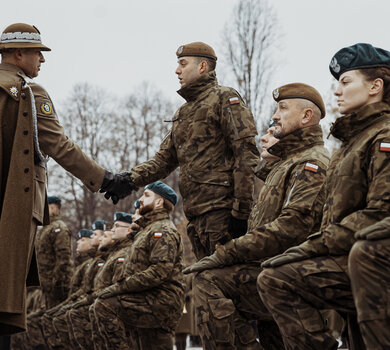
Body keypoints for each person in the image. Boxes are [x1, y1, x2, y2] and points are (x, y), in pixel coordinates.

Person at [258, 43, 390, 350]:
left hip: (369, 255)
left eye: (345, 82)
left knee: (277, 279)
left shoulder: (383, 136)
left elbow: (380, 212)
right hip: (348, 251)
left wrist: (314, 246)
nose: (337, 92)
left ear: (375, 86)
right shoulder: (352, 141)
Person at [183, 83, 330, 349]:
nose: (274, 117)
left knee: (208, 281)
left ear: (306, 116)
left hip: (293, 277)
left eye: (283, 108)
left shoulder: (311, 163)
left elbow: (292, 227)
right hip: (273, 270)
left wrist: (229, 251)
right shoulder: (286, 165)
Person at [0, 22, 123, 335]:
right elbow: (60, 146)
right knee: (3, 302)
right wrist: (106, 179)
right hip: (11, 210)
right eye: (37, 53)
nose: (42, 59)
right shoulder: (27, 93)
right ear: (17, 53)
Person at [101, 42, 259, 260]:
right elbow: (163, 160)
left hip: (222, 213)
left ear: (202, 66)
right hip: (196, 217)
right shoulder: (183, 113)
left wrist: (241, 212)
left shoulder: (225, 99)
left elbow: (246, 153)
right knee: (205, 281)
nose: (177, 70)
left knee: (220, 282)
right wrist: (129, 179)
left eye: (183, 64)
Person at [91, 181, 185, 350]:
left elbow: (159, 271)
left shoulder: (162, 230)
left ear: (159, 202)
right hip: (148, 298)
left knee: (104, 305)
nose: (141, 199)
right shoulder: (147, 230)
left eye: (146, 195)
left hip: (161, 301)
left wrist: (120, 287)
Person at [35, 195, 73, 309]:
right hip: (47, 284)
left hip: (57, 285)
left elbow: (63, 258)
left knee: (56, 318)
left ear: (52, 208)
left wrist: (55, 282)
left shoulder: (58, 228)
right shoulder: (45, 229)